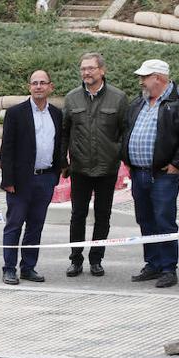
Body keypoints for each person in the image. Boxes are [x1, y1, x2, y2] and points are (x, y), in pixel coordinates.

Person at [120, 59, 179, 289]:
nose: (141, 81)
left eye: (145, 77)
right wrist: (128, 159)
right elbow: (126, 130)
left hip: (163, 173)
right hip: (139, 173)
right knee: (145, 220)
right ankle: (152, 263)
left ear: (158, 78)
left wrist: (177, 163)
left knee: (164, 220)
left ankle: (168, 268)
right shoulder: (139, 102)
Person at [61, 52, 127, 278]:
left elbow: (123, 132)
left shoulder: (118, 98)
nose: (86, 73)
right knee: (77, 214)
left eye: (90, 68)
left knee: (103, 215)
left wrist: (118, 155)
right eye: (83, 69)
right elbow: (64, 132)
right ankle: (75, 259)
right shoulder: (72, 98)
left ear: (102, 71)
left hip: (106, 169)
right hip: (79, 169)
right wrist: (63, 161)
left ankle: (96, 259)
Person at [0, 69, 65, 285]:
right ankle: (9, 268)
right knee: (14, 225)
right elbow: (7, 149)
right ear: (29, 87)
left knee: (36, 226)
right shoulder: (16, 113)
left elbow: (59, 146)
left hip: (45, 179)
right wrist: (8, 180)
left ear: (50, 87)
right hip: (20, 181)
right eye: (34, 83)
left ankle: (28, 267)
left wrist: (56, 174)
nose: (38, 86)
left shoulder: (56, 114)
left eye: (42, 83)